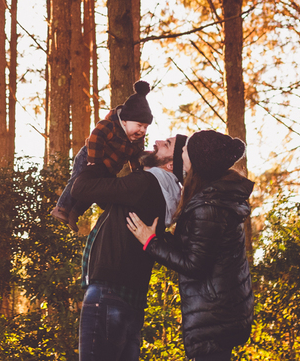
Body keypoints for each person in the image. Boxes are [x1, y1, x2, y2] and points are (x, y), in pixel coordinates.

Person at [126, 130, 253, 361]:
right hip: (220, 310)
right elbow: (197, 248)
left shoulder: (209, 206)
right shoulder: (211, 199)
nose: (181, 152)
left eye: (184, 150)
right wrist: (161, 238)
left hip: (215, 314)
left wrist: (150, 242)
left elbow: (195, 264)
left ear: (196, 161)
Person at [68, 133, 189, 361]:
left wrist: (95, 161)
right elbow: (109, 198)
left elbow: (81, 188)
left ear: (171, 164)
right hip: (132, 300)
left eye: (167, 144)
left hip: (108, 294)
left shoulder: (145, 183)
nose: (157, 142)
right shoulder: (165, 195)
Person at [50, 80, 154, 226]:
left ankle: (75, 212)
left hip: (108, 167)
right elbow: (96, 138)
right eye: (139, 125)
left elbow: (135, 156)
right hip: (90, 157)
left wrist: (137, 172)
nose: (142, 130)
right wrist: (93, 161)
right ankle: (62, 207)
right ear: (124, 121)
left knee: (96, 190)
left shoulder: (136, 140)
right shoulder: (110, 126)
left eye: (145, 127)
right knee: (79, 180)